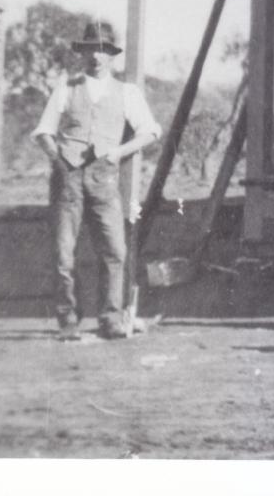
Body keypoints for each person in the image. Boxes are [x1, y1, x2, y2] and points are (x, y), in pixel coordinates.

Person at [32, 22, 162, 339]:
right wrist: (58, 160)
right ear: (83, 52)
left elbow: (151, 131)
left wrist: (118, 153)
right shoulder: (67, 87)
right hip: (68, 179)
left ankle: (111, 318)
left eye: (103, 50)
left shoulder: (127, 92)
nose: (97, 57)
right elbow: (44, 131)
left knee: (115, 250)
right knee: (64, 252)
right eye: (91, 49)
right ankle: (68, 321)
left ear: (112, 56)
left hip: (104, 178)